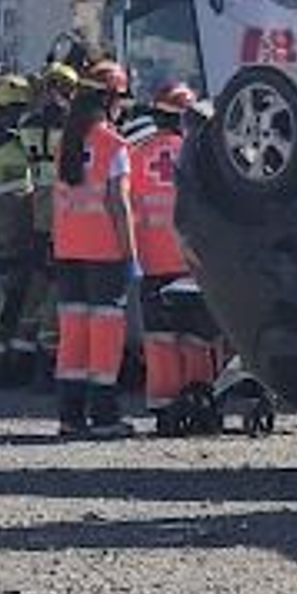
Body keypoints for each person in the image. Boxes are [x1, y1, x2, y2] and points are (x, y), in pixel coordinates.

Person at [52, 60, 139, 440]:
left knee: (73, 335)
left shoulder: (65, 144)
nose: (122, 106)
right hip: (105, 253)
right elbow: (119, 205)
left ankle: (70, 417)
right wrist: (132, 254)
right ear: (108, 99)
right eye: (119, 98)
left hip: (68, 251)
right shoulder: (113, 145)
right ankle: (105, 416)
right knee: (105, 335)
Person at [129, 81, 196, 426]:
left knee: (159, 338)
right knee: (198, 337)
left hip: (151, 262)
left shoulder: (137, 154)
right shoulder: (197, 156)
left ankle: (163, 404)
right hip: (193, 263)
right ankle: (199, 400)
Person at [17, 61, 81, 381]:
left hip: (38, 207)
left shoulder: (28, 120)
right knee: (56, 283)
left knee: (39, 281)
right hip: (60, 208)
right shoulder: (66, 121)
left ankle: (24, 354)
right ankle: (46, 356)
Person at [0, 75, 38, 384]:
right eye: (16, 109)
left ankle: (0, 361)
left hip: (8, 229)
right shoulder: (2, 141)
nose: (19, 115)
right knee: (7, 298)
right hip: (9, 230)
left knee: (12, 297)